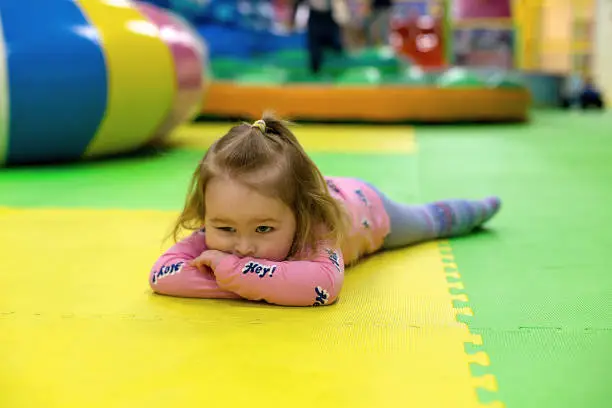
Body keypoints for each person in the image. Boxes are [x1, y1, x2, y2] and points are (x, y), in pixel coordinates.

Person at [149, 114, 501, 307]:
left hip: (368, 208)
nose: (241, 247)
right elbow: (163, 275)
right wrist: (266, 282)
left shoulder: (314, 229)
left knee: (426, 222)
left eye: (263, 230)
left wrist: (231, 273)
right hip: (313, 191)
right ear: (208, 213)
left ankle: (471, 210)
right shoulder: (224, 224)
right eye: (225, 229)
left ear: (298, 215)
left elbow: (323, 286)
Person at [290, 0, 350, 74]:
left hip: (330, 21)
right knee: (315, 60)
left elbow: (342, 16)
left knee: (338, 48)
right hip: (315, 23)